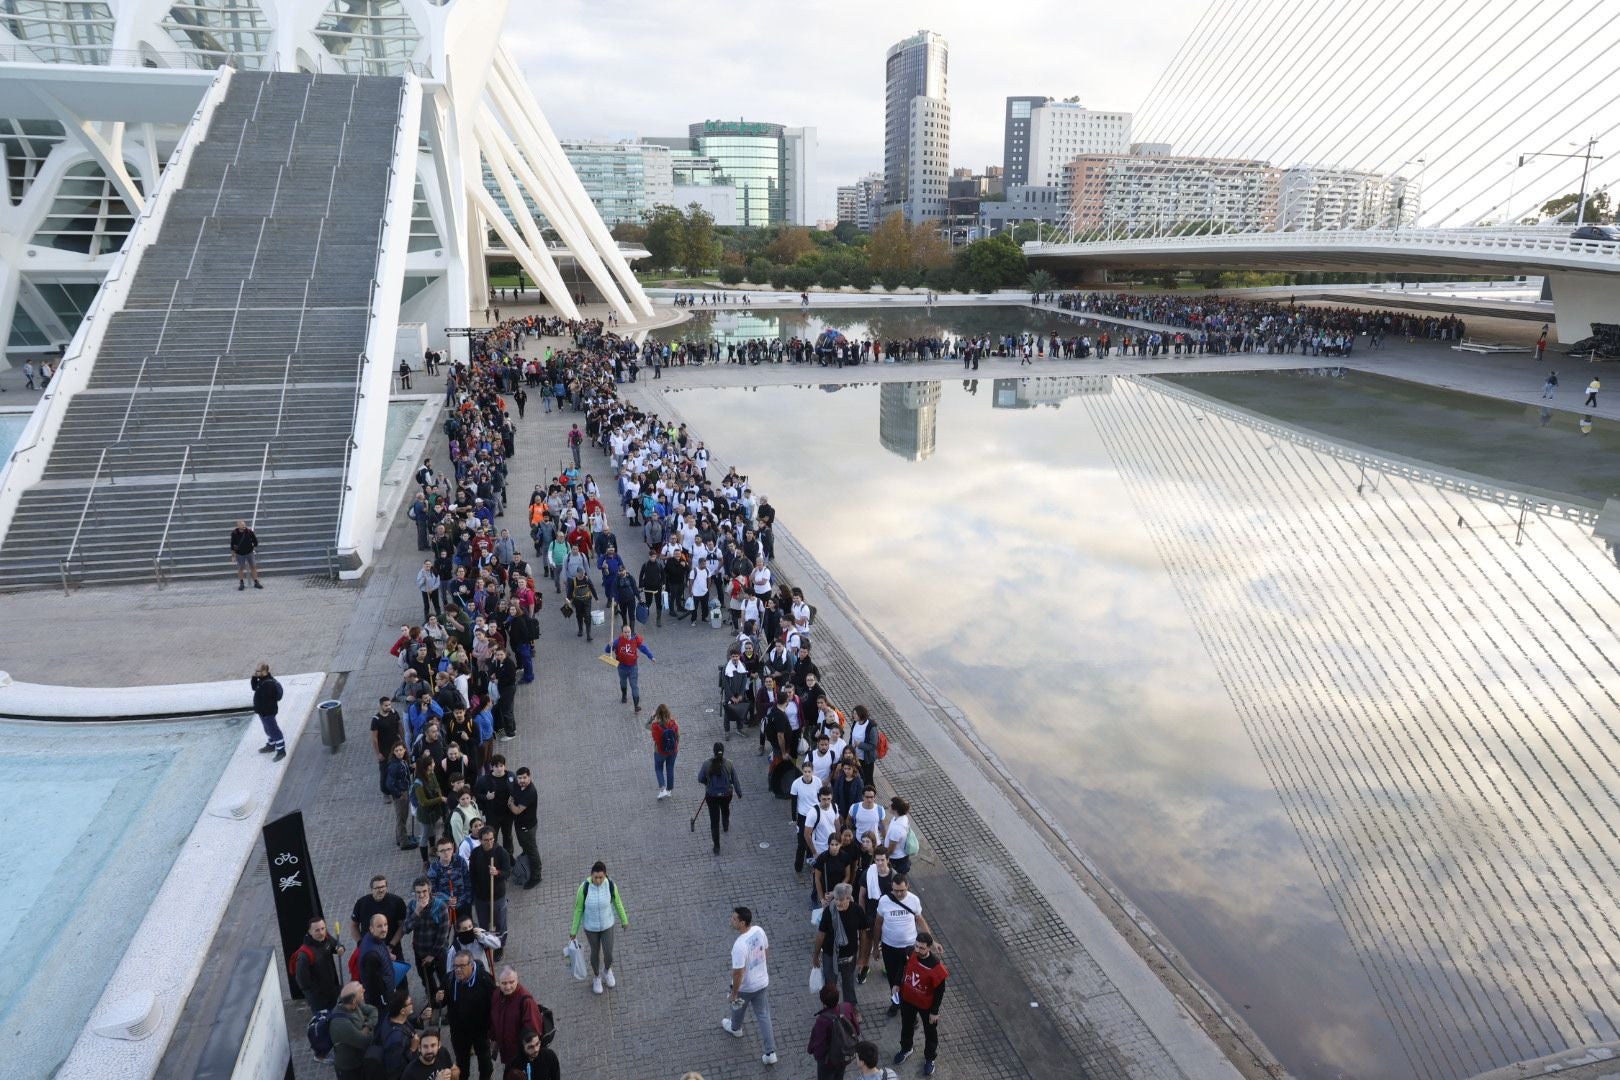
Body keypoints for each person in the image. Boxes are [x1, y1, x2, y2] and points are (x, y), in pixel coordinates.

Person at [721, 906, 777, 1065]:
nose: (731, 921)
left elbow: (738, 973)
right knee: (763, 1016)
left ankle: (735, 1028)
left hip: (746, 987)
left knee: (737, 1005)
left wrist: (734, 992)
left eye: (734, 919)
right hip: (762, 982)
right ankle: (770, 1052)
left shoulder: (739, 946)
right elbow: (766, 951)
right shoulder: (759, 930)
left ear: (742, 923)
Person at [569, 860, 630, 993]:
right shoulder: (584, 888)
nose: (598, 880)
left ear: (605, 875)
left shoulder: (610, 885)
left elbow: (617, 903)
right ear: (591, 875)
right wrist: (573, 931)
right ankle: (596, 977)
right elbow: (578, 910)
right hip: (591, 928)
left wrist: (624, 920)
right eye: (595, 877)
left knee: (608, 954)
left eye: (601, 877)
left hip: (607, 925)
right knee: (595, 953)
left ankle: (607, 971)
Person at [874, 876, 930, 1016]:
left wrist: (931, 941)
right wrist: (875, 946)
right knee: (893, 979)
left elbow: (920, 919)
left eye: (902, 891)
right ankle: (895, 1002)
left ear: (908, 887)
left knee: (910, 981)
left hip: (910, 948)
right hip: (889, 947)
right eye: (896, 891)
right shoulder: (884, 901)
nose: (899, 894)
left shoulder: (914, 900)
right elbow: (878, 923)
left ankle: (909, 1011)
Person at [894, 933, 948, 1076]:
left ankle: (930, 1058)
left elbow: (940, 991)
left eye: (921, 948)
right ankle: (906, 1048)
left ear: (929, 948)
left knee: (930, 1033)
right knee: (906, 1025)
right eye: (916, 946)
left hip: (926, 1006)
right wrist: (897, 983)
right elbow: (902, 966)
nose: (917, 950)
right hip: (908, 1000)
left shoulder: (936, 968)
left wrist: (934, 1011)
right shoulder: (911, 952)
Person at [438, 950, 494, 1080]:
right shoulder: (449, 979)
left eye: (462, 966)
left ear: (472, 965)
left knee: (485, 1062)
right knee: (462, 1064)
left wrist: (492, 1028)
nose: (458, 970)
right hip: (459, 1032)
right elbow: (442, 1001)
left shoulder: (485, 980)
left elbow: (493, 1005)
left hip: (481, 1031)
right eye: (455, 966)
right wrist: (439, 998)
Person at [812, 882, 867, 1007]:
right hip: (830, 955)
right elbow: (821, 934)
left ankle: (851, 1009)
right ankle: (830, 1008)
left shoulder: (857, 910)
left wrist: (862, 957)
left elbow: (863, 934)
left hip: (849, 956)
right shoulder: (828, 911)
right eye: (836, 899)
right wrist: (815, 955)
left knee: (848, 983)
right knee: (830, 985)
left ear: (848, 898)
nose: (838, 903)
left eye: (841, 900)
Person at [406, 877, 451, 1003]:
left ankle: (447, 1003)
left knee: (444, 978)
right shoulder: (412, 905)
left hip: (438, 951)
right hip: (420, 951)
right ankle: (433, 1002)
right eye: (418, 892)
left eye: (424, 891)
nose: (421, 895)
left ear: (429, 890)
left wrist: (432, 955)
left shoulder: (440, 906)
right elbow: (406, 928)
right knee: (426, 980)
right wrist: (417, 911)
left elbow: (443, 933)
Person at [489, 967, 543, 1068]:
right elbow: (494, 1019)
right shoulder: (496, 995)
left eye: (511, 982)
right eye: (504, 983)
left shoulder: (526, 1002)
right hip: (507, 1053)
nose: (508, 987)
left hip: (522, 1056)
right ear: (498, 983)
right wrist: (494, 1039)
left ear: (517, 980)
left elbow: (532, 1033)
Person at [468, 829, 512, 950]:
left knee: (499, 923)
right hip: (481, 897)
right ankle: (486, 945)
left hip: (497, 896)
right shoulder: (475, 853)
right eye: (486, 840)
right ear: (480, 840)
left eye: (491, 839)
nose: (489, 842)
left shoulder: (501, 852)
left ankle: (499, 946)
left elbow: (508, 872)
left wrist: (497, 872)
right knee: (483, 923)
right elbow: (472, 874)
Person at [807, 983, 861, 1080]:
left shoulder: (822, 1020)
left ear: (823, 1002)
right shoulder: (847, 1007)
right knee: (839, 1076)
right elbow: (856, 1029)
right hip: (844, 1054)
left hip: (829, 1061)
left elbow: (819, 1044)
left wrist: (817, 1056)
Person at [292, 914, 346, 1013]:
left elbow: (336, 945)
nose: (321, 932)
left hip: (333, 990)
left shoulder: (326, 938)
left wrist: (341, 948)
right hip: (320, 1000)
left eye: (323, 928)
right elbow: (303, 982)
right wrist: (316, 997)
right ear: (309, 932)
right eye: (317, 930)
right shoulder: (304, 955)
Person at [697, 742, 742, 855]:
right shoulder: (729, 764)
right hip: (726, 795)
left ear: (713, 751)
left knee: (714, 820)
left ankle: (716, 846)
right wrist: (739, 792)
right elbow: (735, 780)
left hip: (711, 795)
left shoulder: (707, 764)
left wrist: (707, 783)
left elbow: (700, 778)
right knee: (725, 807)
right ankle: (725, 823)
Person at [329, 981, 378, 1080]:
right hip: (349, 1069)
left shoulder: (352, 1003)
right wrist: (369, 1026)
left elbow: (373, 1010)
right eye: (361, 991)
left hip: (360, 1060)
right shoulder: (341, 1024)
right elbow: (366, 1041)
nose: (364, 990)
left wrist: (367, 1026)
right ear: (354, 1001)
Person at [352, 875, 408, 958]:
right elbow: (353, 925)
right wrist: (361, 944)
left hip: (393, 949)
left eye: (383, 887)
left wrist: (391, 946)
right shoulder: (361, 903)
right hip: (369, 950)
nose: (381, 890)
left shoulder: (397, 902)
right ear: (371, 889)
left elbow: (402, 926)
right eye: (377, 888)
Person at [608, 622, 656, 712]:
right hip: (621, 667)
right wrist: (609, 645)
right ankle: (624, 695)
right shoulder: (617, 641)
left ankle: (636, 705)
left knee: (634, 686)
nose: (627, 634)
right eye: (625, 632)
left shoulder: (635, 640)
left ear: (631, 632)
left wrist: (651, 656)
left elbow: (643, 648)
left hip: (633, 667)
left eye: (628, 632)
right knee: (623, 682)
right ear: (622, 633)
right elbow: (607, 650)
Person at [358, 913, 400, 1008]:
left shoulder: (373, 938)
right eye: (379, 926)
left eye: (385, 925)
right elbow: (373, 985)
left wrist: (387, 955)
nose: (384, 929)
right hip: (382, 1000)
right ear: (371, 928)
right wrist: (385, 999)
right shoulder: (371, 955)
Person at [508, 767, 541, 888]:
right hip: (519, 826)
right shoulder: (517, 785)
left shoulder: (530, 792)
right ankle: (528, 864)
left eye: (524, 778)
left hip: (528, 827)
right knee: (525, 847)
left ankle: (536, 876)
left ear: (530, 777)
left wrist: (510, 803)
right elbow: (512, 795)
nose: (521, 780)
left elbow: (516, 810)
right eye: (519, 778)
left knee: (532, 851)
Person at [250, 662, 286, 761]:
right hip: (262, 712)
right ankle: (271, 744)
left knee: (274, 730)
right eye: (255, 671)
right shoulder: (262, 680)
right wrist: (254, 677)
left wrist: (264, 710)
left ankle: (281, 750)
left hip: (268, 712)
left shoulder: (269, 684)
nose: (256, 673)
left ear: (264, 671)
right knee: (267, 729)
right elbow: (254, 688)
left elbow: (270, 699)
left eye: (258, 671)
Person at [649, 704, 680, 799]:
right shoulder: (673, 723)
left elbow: (646, 726)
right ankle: (669, 790)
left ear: (657, 714)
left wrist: (652, 717)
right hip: (672, 751)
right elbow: (677, 736)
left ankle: (662, 789)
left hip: (659, 751)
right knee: (670, 768)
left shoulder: (655, 725)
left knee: (658, 769)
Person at [230, 518, 262, 590]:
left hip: (249, 553)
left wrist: (252, 548)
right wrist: (233, 555)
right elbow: (233, 544)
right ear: (238, 526)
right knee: (241, 568)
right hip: (240, 554)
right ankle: (241, 583)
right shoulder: (234, 533)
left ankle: (256, 582)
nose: (244, 526)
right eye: (242, 525)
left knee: (253, 566)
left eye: (244, 525)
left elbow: (255, 541)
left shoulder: (249, 532)